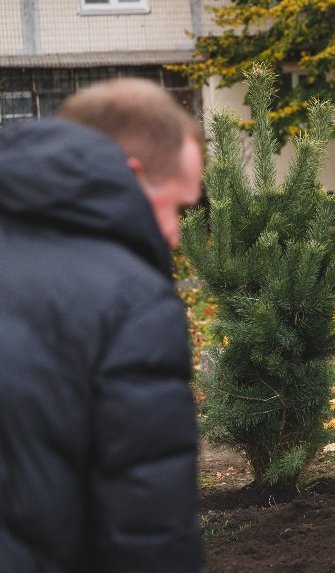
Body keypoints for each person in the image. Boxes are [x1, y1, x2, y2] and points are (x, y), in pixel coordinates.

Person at [0, 78, 204, 571]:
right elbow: (146, 525)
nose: (176, 236)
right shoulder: (129, 301)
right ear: (132, 176)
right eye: (177, 207)